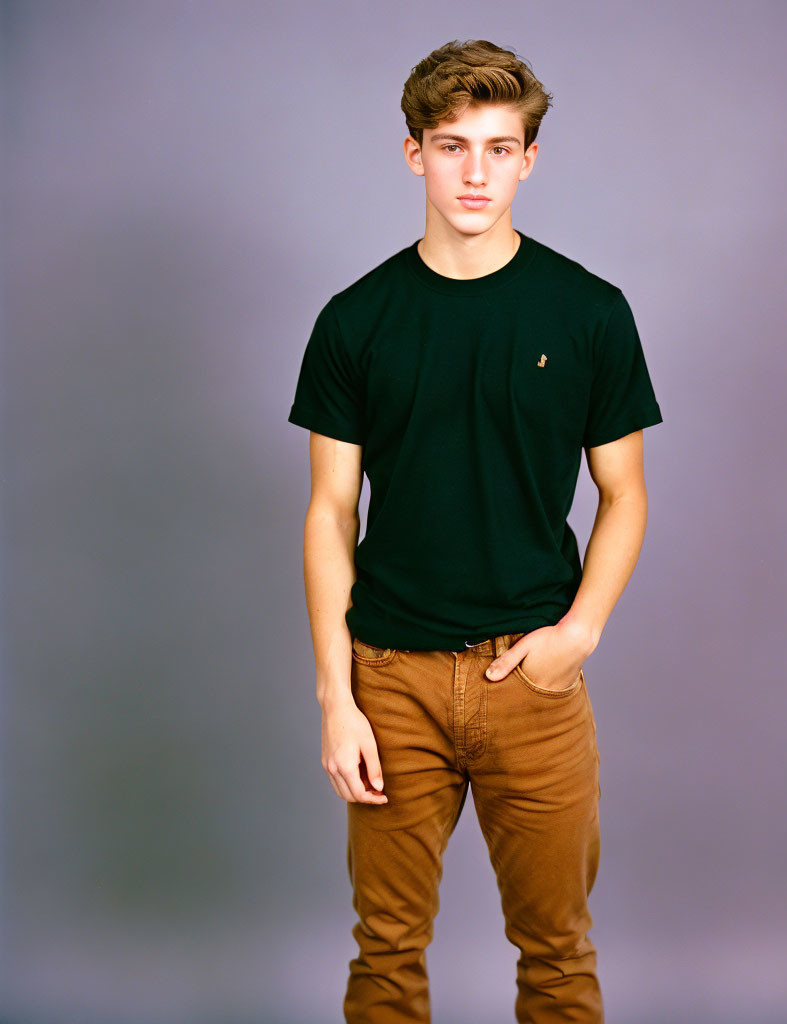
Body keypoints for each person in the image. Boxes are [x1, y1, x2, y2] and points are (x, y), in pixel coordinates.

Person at [287, 38, 663, 1024]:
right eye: (452, 146)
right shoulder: (355, 322)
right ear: (413, 152)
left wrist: (576, 636)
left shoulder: (588, 313)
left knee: (556, 953)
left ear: (528, 158)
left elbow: (624, 493)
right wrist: (338, 697)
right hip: (392, 680)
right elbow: (329, 512)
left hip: (531, 679)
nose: (475, 172)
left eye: (499, 148)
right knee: (386, 953)